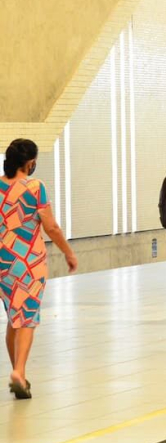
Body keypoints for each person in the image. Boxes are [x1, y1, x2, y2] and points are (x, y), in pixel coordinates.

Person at [1, 139, 77, 399]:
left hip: (3, 263)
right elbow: (51, 227)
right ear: (30, 162)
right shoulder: (35, 187)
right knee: (27, 319)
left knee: (14, 318)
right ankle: (19, 372)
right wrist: (68, 252)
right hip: (28, 263)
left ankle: (19, 373)